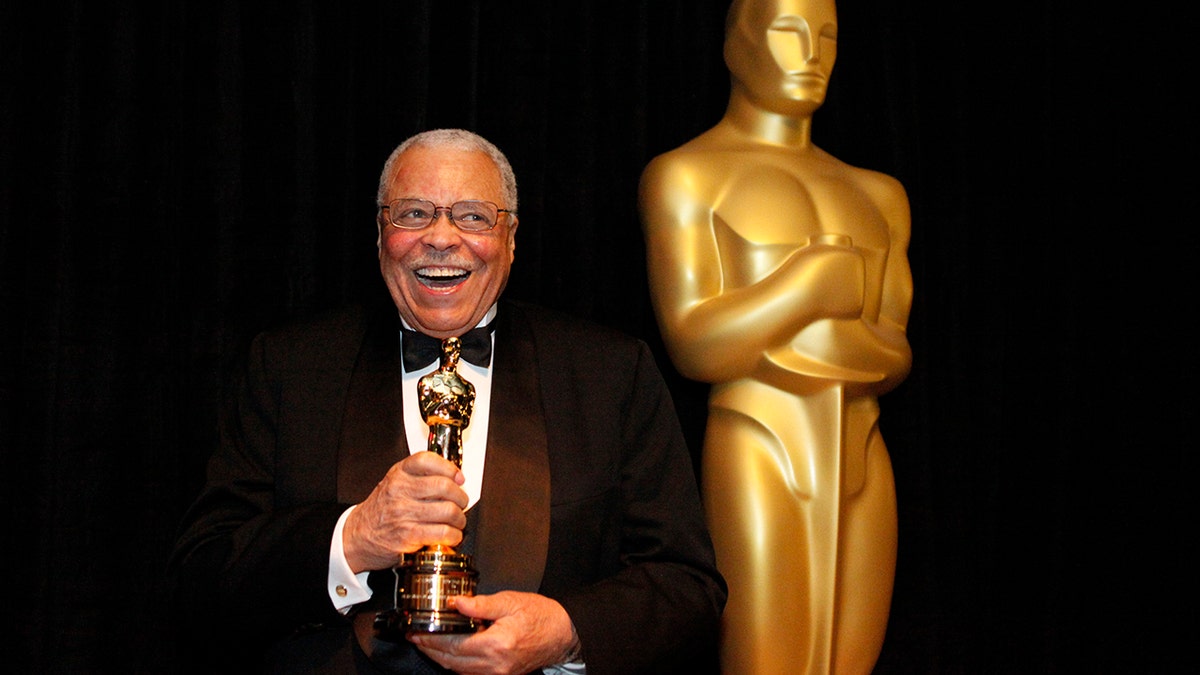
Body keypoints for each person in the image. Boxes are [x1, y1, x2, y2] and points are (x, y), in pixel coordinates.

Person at [170, 128, 726, 675]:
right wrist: (354, 539)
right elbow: (201, 581)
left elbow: (687, 584)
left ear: (510, 238)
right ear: (379, 231)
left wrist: (567, 631)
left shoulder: (609, 373)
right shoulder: (290, 367)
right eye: (414, 213)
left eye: (473, 216)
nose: (440, 237)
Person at [637, 1, 912, 673]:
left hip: (862, 443)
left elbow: (896, 353)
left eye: (827, 37)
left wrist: (782, 331)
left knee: (846, 659)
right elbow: (695, 343)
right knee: (765, 656)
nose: (812, 55)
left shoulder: (878, 193)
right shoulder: (689, 176)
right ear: (737, 43)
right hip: (759, 436)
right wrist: (807, 291)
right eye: (788, 33)